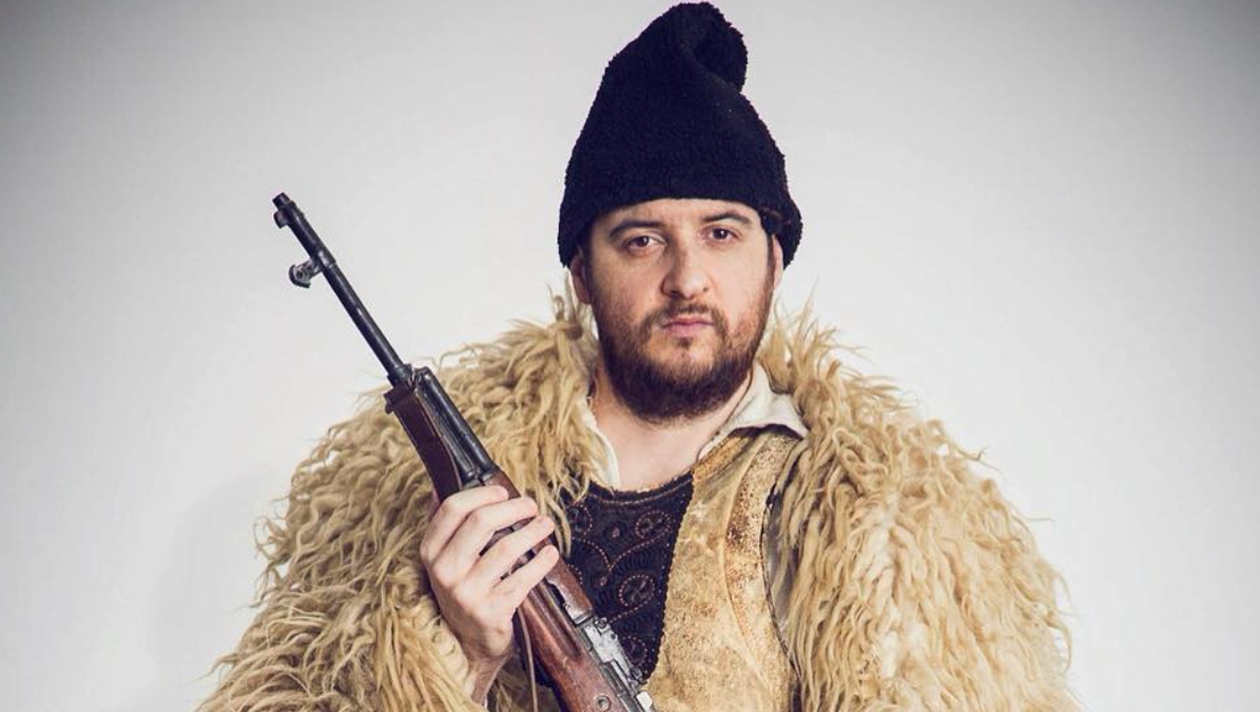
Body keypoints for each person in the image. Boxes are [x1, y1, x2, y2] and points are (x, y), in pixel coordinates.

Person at [200, 4, 1078, 710]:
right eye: (642, 239)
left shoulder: (884, 519)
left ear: (774, 261)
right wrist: (456, 663)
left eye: (722, 233)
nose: (686, 277)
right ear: (582, 272)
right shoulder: (416, 494)